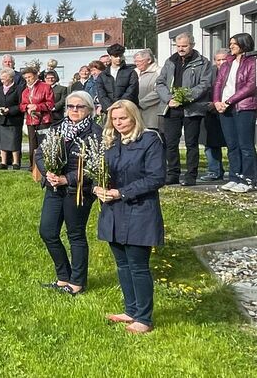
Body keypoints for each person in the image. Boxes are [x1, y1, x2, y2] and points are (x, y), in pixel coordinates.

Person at [94, 100, 166, 334]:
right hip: (113, 211)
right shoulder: (110, 142)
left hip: (139, 210)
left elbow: (156, 177)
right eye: (114, 119)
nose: (118, 123)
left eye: (123, 118)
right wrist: (97, 187)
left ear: (134, 117)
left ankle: (144, 318)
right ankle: (131, 310)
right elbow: (99, 172)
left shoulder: (150, 140)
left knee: (138, 266)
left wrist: (122, 192)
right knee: (122, 264)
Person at [34, 91, 101, 296]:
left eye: (79, 107)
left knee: (75, 235)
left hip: (77, 191)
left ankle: (77, 282)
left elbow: (95, 166)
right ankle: (63, 277)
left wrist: (67, 179)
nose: (74, 110)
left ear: (89, 109)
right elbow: (40, 153)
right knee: (47, 232)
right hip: (54, 188)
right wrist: (48, 173)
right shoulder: (57, 128)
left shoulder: (95, 132)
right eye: (70, 106)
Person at [155, 32, 215, 186]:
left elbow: (205, 84)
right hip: (171, 108)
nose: (181, 49)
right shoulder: (170, 61)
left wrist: (183, 97)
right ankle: (173, 174)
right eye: (178, 46)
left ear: (192, 45)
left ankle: (191, 175)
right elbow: (160, 83)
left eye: (184, 46)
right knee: (171, 143)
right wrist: (169, 99)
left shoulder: (203, 62)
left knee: (191, 143)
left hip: (192, 108)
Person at [213, 33, 257, 193]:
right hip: (225, 108)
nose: (231, 46)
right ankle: (234, 177)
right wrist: (217, 101)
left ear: (244, 44)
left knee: (245, 145)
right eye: (230, 43)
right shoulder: (227, 64)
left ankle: (249, 179)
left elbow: (251, 86)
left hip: (244, 107)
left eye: (234, 43)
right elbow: (218, 83)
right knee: (232, 145)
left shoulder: (253, 62)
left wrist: (229, 101)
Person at [201, 49, 229, 183]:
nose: (221, 62)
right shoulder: (209, 71)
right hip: (211, 111)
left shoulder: (233, 69)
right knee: (210, 143)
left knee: (232, 143)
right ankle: (214, 171)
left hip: (229, 109)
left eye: (224, 59)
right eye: (218, 60)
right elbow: (204, 87)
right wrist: (210, 104)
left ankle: (238, 171)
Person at [20, 67, 55, 171]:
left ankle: (45, 166)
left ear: (36, 76)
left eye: (29, 77)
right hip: (31, 120)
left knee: (43, 143)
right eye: (26, 78)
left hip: (44, 120)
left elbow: (50, 104)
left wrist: (37, 107)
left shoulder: (46, 87)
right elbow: (22, 105)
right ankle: (33, 165)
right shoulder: (25, 91)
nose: (28, 79)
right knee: (32, 144)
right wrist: (27, 107)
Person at [0, 68, 24, 170]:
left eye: (4, 78)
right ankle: (3, 162)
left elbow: (21, 104)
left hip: (14, 119)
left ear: (11, 78)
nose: (2, 80)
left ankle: (16, 162)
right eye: (1, 78)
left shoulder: (19, 89)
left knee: (14, 141)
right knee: (3, 141)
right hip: (3, 119)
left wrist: (10, 110)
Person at [134, 50, 162, 131]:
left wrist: (141, 103)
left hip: (152, 117)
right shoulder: (135, 72)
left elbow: (159, 91)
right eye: (135, 61)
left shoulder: (159, 72)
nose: (137, 63)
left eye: (139, 61)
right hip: (135, 116)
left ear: (149, 60)